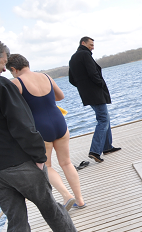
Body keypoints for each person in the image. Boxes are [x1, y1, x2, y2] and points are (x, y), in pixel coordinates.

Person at [0, 41, 96, 232]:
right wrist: (39, 157)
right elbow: (21, 124)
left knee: (16, 221)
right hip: (19, 162)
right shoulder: (4, 86)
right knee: (49, 205)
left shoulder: (12, 83)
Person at [6, 54, 86, 210]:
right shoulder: (46, 76)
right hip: (59, 123)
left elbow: (13, 109)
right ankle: (80, 200)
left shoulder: (17, 82)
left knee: (46, 166)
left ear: (14, 69)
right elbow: (60, 96)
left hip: (41, 128)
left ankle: (66, 196)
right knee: (66, 162)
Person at [68, 36, 120, 163]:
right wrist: (100, 84)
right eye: (91, 44)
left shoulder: (73, 58)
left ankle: (107, 147)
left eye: (93, 45)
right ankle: (95, 151)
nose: (93, 47)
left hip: (87, 94)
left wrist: (83, 87)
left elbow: (71, 79)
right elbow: (93, 73)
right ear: (83, 43)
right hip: (95, 92)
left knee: (104, 118)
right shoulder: (85, 55)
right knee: (103, 119)